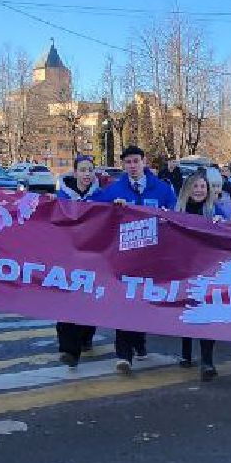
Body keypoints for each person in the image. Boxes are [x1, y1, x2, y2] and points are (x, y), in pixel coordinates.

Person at [90, 146, 177, 374]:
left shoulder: (162, 189)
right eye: (128, 162)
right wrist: (111, 209)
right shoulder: (113, 190)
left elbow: (177, 216)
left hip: (152, 258)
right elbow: (89, 210)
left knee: (143, 301)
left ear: (144, 161)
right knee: (124, 301)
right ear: (123, 165)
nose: (132, 165)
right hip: (124, 258)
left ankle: (139, 340)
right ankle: (123, 355)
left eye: (136, 161)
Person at [175, 173, 231, 381]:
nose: (199, 190)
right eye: (195, 186)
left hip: (209, 269)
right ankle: (185, 352)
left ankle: (207, 361)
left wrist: (223, 224)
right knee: (185, 310)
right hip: (184, 268)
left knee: (205, 313)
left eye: (203, 186)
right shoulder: (178, 211)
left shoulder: (215, 209)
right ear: (187, 190)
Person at [55, 154, 103, 367]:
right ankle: (68, 350)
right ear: (74, 173)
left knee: (88, 302)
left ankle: (86, 337)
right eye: (82, 170)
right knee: (65, 302)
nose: (86, 174)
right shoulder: (60, 197)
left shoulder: (102, 197)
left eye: (90, 170)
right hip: (66, 257)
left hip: (93, 257)